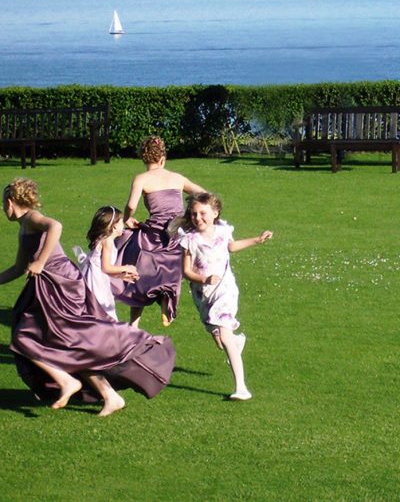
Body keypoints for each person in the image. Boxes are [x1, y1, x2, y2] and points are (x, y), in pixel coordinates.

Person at [1, 178, 176, 416]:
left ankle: (67, 381)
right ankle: (109, 395)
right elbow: (20, 266)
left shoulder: (31, 218)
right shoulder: (24, 227)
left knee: (25, 336)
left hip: (60, 282)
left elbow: (56, 226)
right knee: (71, 343)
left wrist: (41, 262)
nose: (3, 209)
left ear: (11, 202)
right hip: (47, 285)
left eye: (3, 204)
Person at [179, 192, 273, 401]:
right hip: (202, 294)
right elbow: (186, 271)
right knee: (221, 339)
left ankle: (241, 387)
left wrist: (257, 240)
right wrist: (203, 279)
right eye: (194, 214)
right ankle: (236, 342)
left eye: (203, 213)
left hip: (225, 290)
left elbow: (232, 246)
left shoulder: (223, 231)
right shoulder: (189, 240)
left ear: (215, 213)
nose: (198, 218)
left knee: (223, 329)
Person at [115, 135, 205, 327]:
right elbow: (203, 194)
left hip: (154, 235)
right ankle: (166, 302)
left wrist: (125, 219)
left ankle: (134, 322)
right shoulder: (177, 178)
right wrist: (192, 215)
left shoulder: (141, 178)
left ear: (144, 159)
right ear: (163, 159)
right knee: (172, 269)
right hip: (176, 234)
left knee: (137, 268)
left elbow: (131, 205)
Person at [73, 206, 139, 321]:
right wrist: (127, 267)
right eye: (121, 222)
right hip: (97, 285)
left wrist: (121, 275)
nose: (123, 225)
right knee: (103, 316)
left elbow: (102, 268)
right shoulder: (107, 242)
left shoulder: (104, 239)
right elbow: (106, 268)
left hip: (97, 280)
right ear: (114, 226)